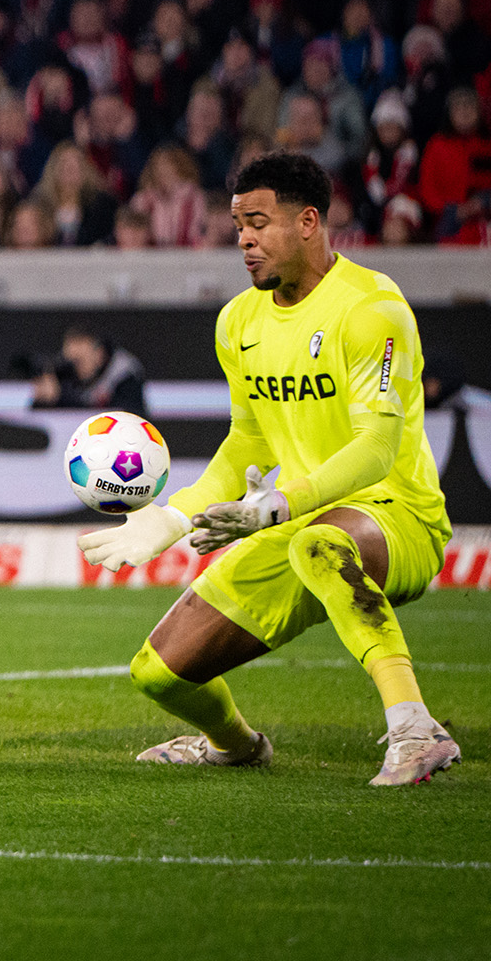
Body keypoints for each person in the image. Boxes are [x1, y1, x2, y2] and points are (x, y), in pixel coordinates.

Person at [79, 152, 458, 787]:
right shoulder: (239, 322)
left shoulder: (371, 309)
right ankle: (235, 745)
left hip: (397, 520)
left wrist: (280, 503)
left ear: (308, 221)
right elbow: (246, 445)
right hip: (296, 526)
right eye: (237, 227)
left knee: (322, 540)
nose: (244, 241)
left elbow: (376, 450)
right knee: (157, 671)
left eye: (258, 223)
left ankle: (416, 730)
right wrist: (173, 516)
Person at [26, 324, 147, 415]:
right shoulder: (64, 372)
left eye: (79, 361)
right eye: (70, 360)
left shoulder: (124, 373)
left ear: (99, 354)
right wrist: (45, 400)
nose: (74, 368)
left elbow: (126, 417)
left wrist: (61, 397)